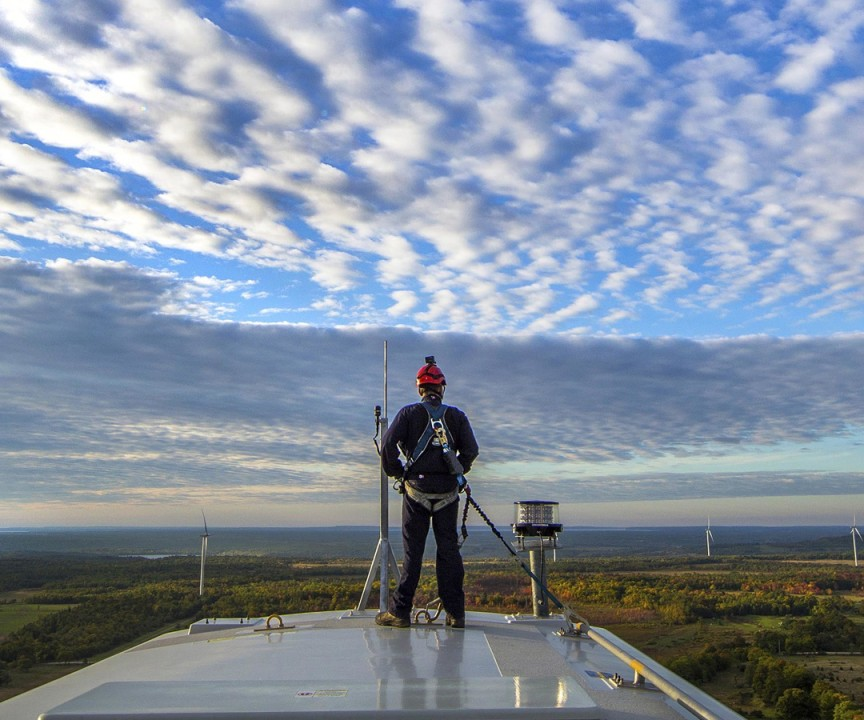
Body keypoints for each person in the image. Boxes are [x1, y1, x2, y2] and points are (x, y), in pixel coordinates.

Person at [376, 356, 479, 629]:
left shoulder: (408, 414)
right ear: (441, 388)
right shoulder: (456, 417)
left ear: (420, 388)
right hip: (447, 493)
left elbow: (387, 446)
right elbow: (471, 450)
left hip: (416, 493)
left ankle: (400, 613)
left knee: (414, 555)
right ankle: (456, 613)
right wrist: (458, 473)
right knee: (449, 553)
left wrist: (397, 471)